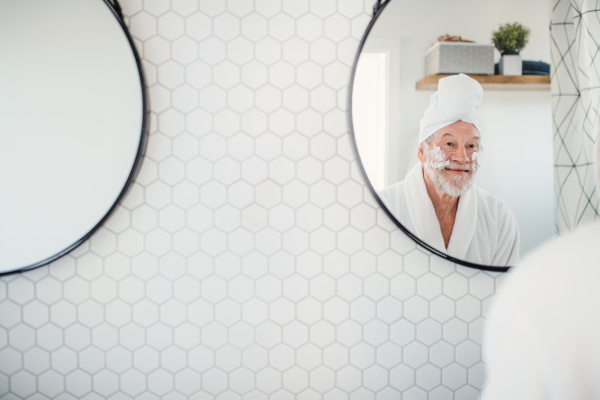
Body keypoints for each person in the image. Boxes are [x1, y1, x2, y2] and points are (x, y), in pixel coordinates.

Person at [378, 74, 519, 266]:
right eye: (449, 143)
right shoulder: (383, 210)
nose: (461, 157)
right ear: (422, 151)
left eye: (471, 146)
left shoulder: (497, 217)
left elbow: (506, 292)